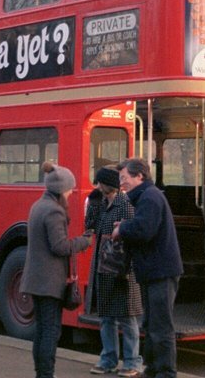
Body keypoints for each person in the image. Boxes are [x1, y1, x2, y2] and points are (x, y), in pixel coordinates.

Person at [112, 158, 183, 378]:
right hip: (155, 271)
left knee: (160, 326)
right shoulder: (148, 196)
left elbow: (144, 230)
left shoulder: (150, 197)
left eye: (124, 178)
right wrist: (126, 226)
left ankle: (165, 372)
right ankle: (153, 369)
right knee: (151, 324)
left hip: (160, 271)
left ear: (139, 176)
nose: (121, 183)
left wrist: (122, 228)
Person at [20, 162, 92, 378]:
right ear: (61, 189)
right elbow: (59, 246)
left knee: (41, 330)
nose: (71, 193)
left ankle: (41, 373)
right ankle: (46, 374)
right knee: (51, 331)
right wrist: (84, 241)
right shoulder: (54, 211)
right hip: (49, 282)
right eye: (70, 189)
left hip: (36, 279)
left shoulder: (38, 205)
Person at [85, 167, 143, 377]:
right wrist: (92, 203)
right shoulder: (101, 204)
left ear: (106, 184)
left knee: (127, 317)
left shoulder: (125, 205)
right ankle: (108, 359)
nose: (97, 187)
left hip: (121, 268)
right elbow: (90, 225)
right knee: (107, 317)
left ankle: (132, 362)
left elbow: (131, 234)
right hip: (103, 267)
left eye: (99, 183)